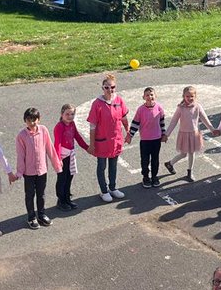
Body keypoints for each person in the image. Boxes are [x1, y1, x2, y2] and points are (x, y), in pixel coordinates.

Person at [87, 73, 130, 203]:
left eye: (112, 87)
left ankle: (112, 187)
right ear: (102, 88)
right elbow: (92, 126)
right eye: (107, 87)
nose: (110, 90)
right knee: (101, 166)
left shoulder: (119, 101)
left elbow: (124, 118)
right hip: (102, 142)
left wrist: (128, 131)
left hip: (116, 140)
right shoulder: (97, 104)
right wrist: (92, 144)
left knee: (113, 165)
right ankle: (104, 190)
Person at [17, 107, 62, 228]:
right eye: (29, 120)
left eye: (34, 120)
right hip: (29, 172)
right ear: (25, 120)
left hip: (42, 170)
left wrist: (57, 166)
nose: (32, 123)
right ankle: (31, 217)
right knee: (29, 195)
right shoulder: (21, 136)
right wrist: (20, 172)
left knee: (41, 194)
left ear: (39, 119)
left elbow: (50, 149)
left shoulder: (43, 130)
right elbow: (20, 155)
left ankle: (41, 214)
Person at [163, 86, 218, 182]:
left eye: (192, 96)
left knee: (192, 153)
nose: (189, 98)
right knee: (183, 154)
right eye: (187, 96)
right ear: (183, 96)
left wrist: (212, 129)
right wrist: (166, 134)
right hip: (184, 134)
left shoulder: (197, 106)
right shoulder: (180, 108)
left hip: (194, 134)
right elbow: (173, 122)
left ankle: (189, 172)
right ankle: (170, 163)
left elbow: (205, 119)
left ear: (195, 96)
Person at [127, 88, 167, 188]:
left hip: (156, 139)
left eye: (152, 94)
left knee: (155, 159)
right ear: (143, 97)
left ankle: (154, 176)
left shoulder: (159, 108)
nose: (150, 97)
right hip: (145, 140)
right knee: (145, 160)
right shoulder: (140, 110)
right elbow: (135, 123)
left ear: (155, 96)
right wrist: (130, 135)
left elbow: (162, 122)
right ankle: (145, 177)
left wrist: (164, 134)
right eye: (147, 95)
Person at [53, 103, 89, 208]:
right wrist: (58, 159)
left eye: (72, 114)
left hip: (71, 155)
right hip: (63, 156)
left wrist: (87, 148)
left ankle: (67, 198)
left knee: (69, 177)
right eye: (67, 114)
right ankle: (61, 201)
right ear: (62, 114)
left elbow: (77, 137)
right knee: (62, 179)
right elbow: (57, 143)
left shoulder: (72, 124)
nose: (70, 116)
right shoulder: (59, 126)